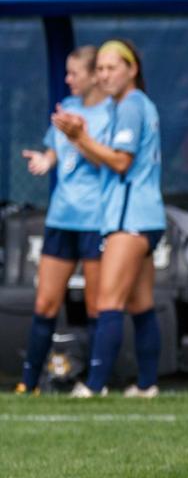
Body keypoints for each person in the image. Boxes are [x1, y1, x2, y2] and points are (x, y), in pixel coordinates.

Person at [52, 40, 166, 398]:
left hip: (130, 217)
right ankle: (147, 385)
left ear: (132, 69)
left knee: (108, 302)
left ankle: (95, 385)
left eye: (110, 68)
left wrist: (80, 136)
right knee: (140, 304)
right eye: (99, 69)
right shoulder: (125, 106)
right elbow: (107, 159)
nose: (103, 75)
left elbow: (120, 161)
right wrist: (77, 139)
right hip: (143, 215)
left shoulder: (132, 105)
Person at [16, 47, 109, 394]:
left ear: (93, 75)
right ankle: (29, 383)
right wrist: (47, 159)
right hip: (61, 217)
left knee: (97, 306)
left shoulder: (111, 112)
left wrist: (78, 138)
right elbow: (58, 148)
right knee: (45, 303)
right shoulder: (67, 108)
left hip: (95, 219)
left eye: (74, 73)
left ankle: (95, 382)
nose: (68, 80)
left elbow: (109, 161)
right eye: (67, 73)